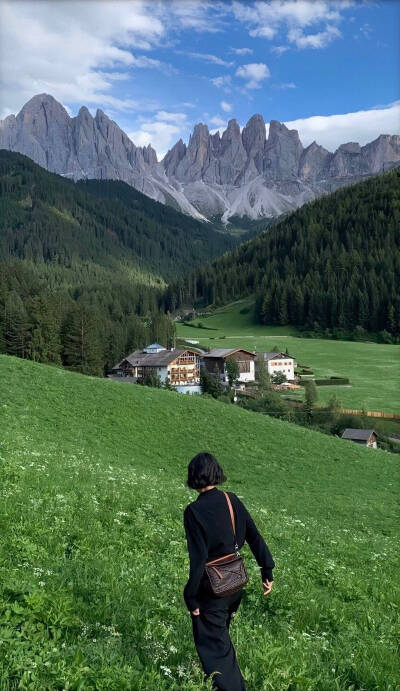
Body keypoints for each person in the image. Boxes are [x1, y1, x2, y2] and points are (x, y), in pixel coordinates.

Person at [183, 452, 275, 691]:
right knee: (220, 642)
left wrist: (190, 597)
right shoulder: (230, 500)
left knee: (216, 651)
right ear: (217, 472)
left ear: (193, 476)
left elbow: (198, 559)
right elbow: (254, 536)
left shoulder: (193, 511)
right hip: (234, 583)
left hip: (212, 589)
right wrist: (267, 569)